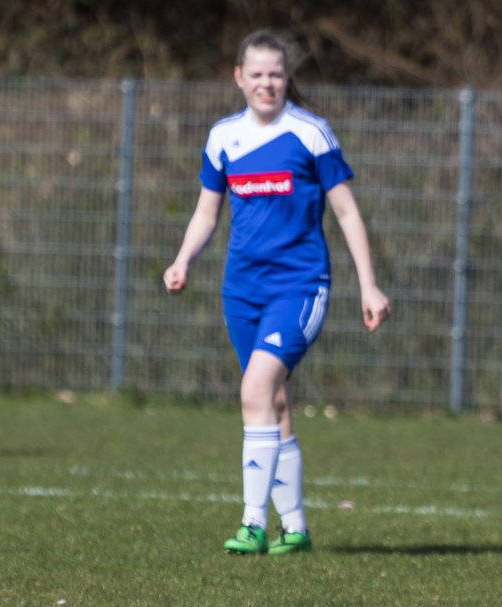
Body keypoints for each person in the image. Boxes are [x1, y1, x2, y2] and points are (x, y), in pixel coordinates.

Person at [163, 31, 391, 554]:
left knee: (254, 391)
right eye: (257, 74)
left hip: (300, 286)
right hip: (241, 291)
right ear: (239, 78)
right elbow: (206, 211)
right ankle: (296, 527)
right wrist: (182, 260)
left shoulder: (311, 133)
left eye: (276, 73)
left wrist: (369, 284)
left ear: (287, 79)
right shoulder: (223, 137)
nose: (267, 83)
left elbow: (347, 211)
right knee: (274, 400)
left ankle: (251, 523)